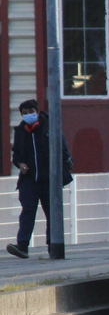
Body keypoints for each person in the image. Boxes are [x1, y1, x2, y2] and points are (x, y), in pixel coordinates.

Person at [7, 99, 73, 259]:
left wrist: (64, 168)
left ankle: (54, 247)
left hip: (49, 180)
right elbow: (16, 154)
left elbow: (63, 149)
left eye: (31, 112)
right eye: (24, 113)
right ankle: (22, 246)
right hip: (29, 180)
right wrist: (20, 164)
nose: (28, 115)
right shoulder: (20, 131)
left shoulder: (50, 126)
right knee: (28, 210)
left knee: (52, 213)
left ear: (37, 112)